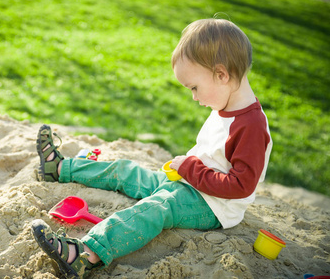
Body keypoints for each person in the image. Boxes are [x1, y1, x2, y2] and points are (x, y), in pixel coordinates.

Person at [31, 18, 273, 278]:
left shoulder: (251, 127)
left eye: (194, 87)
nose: (194, 96)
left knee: (157, 208)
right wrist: (187, 170)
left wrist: (190, 168)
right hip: (189, 182)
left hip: (214, 206)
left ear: (221, 75)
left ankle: (84, 255)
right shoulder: (225, 103)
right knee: (125, 171)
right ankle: (60, 168)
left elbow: (240, 186)